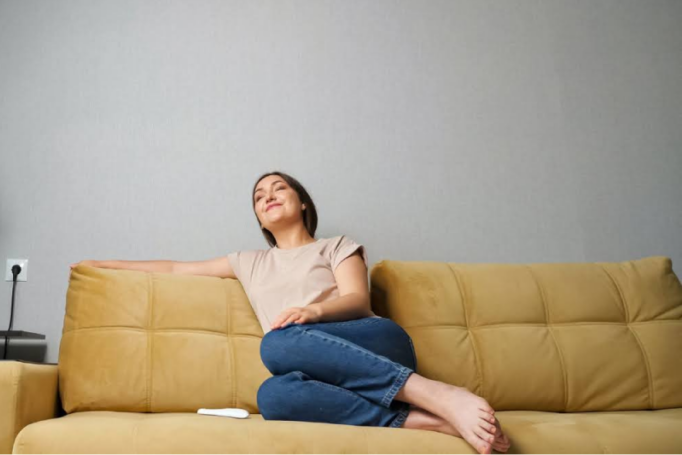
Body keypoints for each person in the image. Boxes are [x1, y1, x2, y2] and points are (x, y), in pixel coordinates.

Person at [70, 171, 510, 455]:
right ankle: (430, 421)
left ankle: (435, 393)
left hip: (374, 342)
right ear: (261, 219)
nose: (268, 196)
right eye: (260, 196)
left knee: (278, 341)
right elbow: (173, 268)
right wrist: (101, 265)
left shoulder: (335, 246)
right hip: (308, 363)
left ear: (302, 203)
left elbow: (358, 299)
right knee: (273, 397)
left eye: (279, 187)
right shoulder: (248, 261)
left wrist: (313, 312)